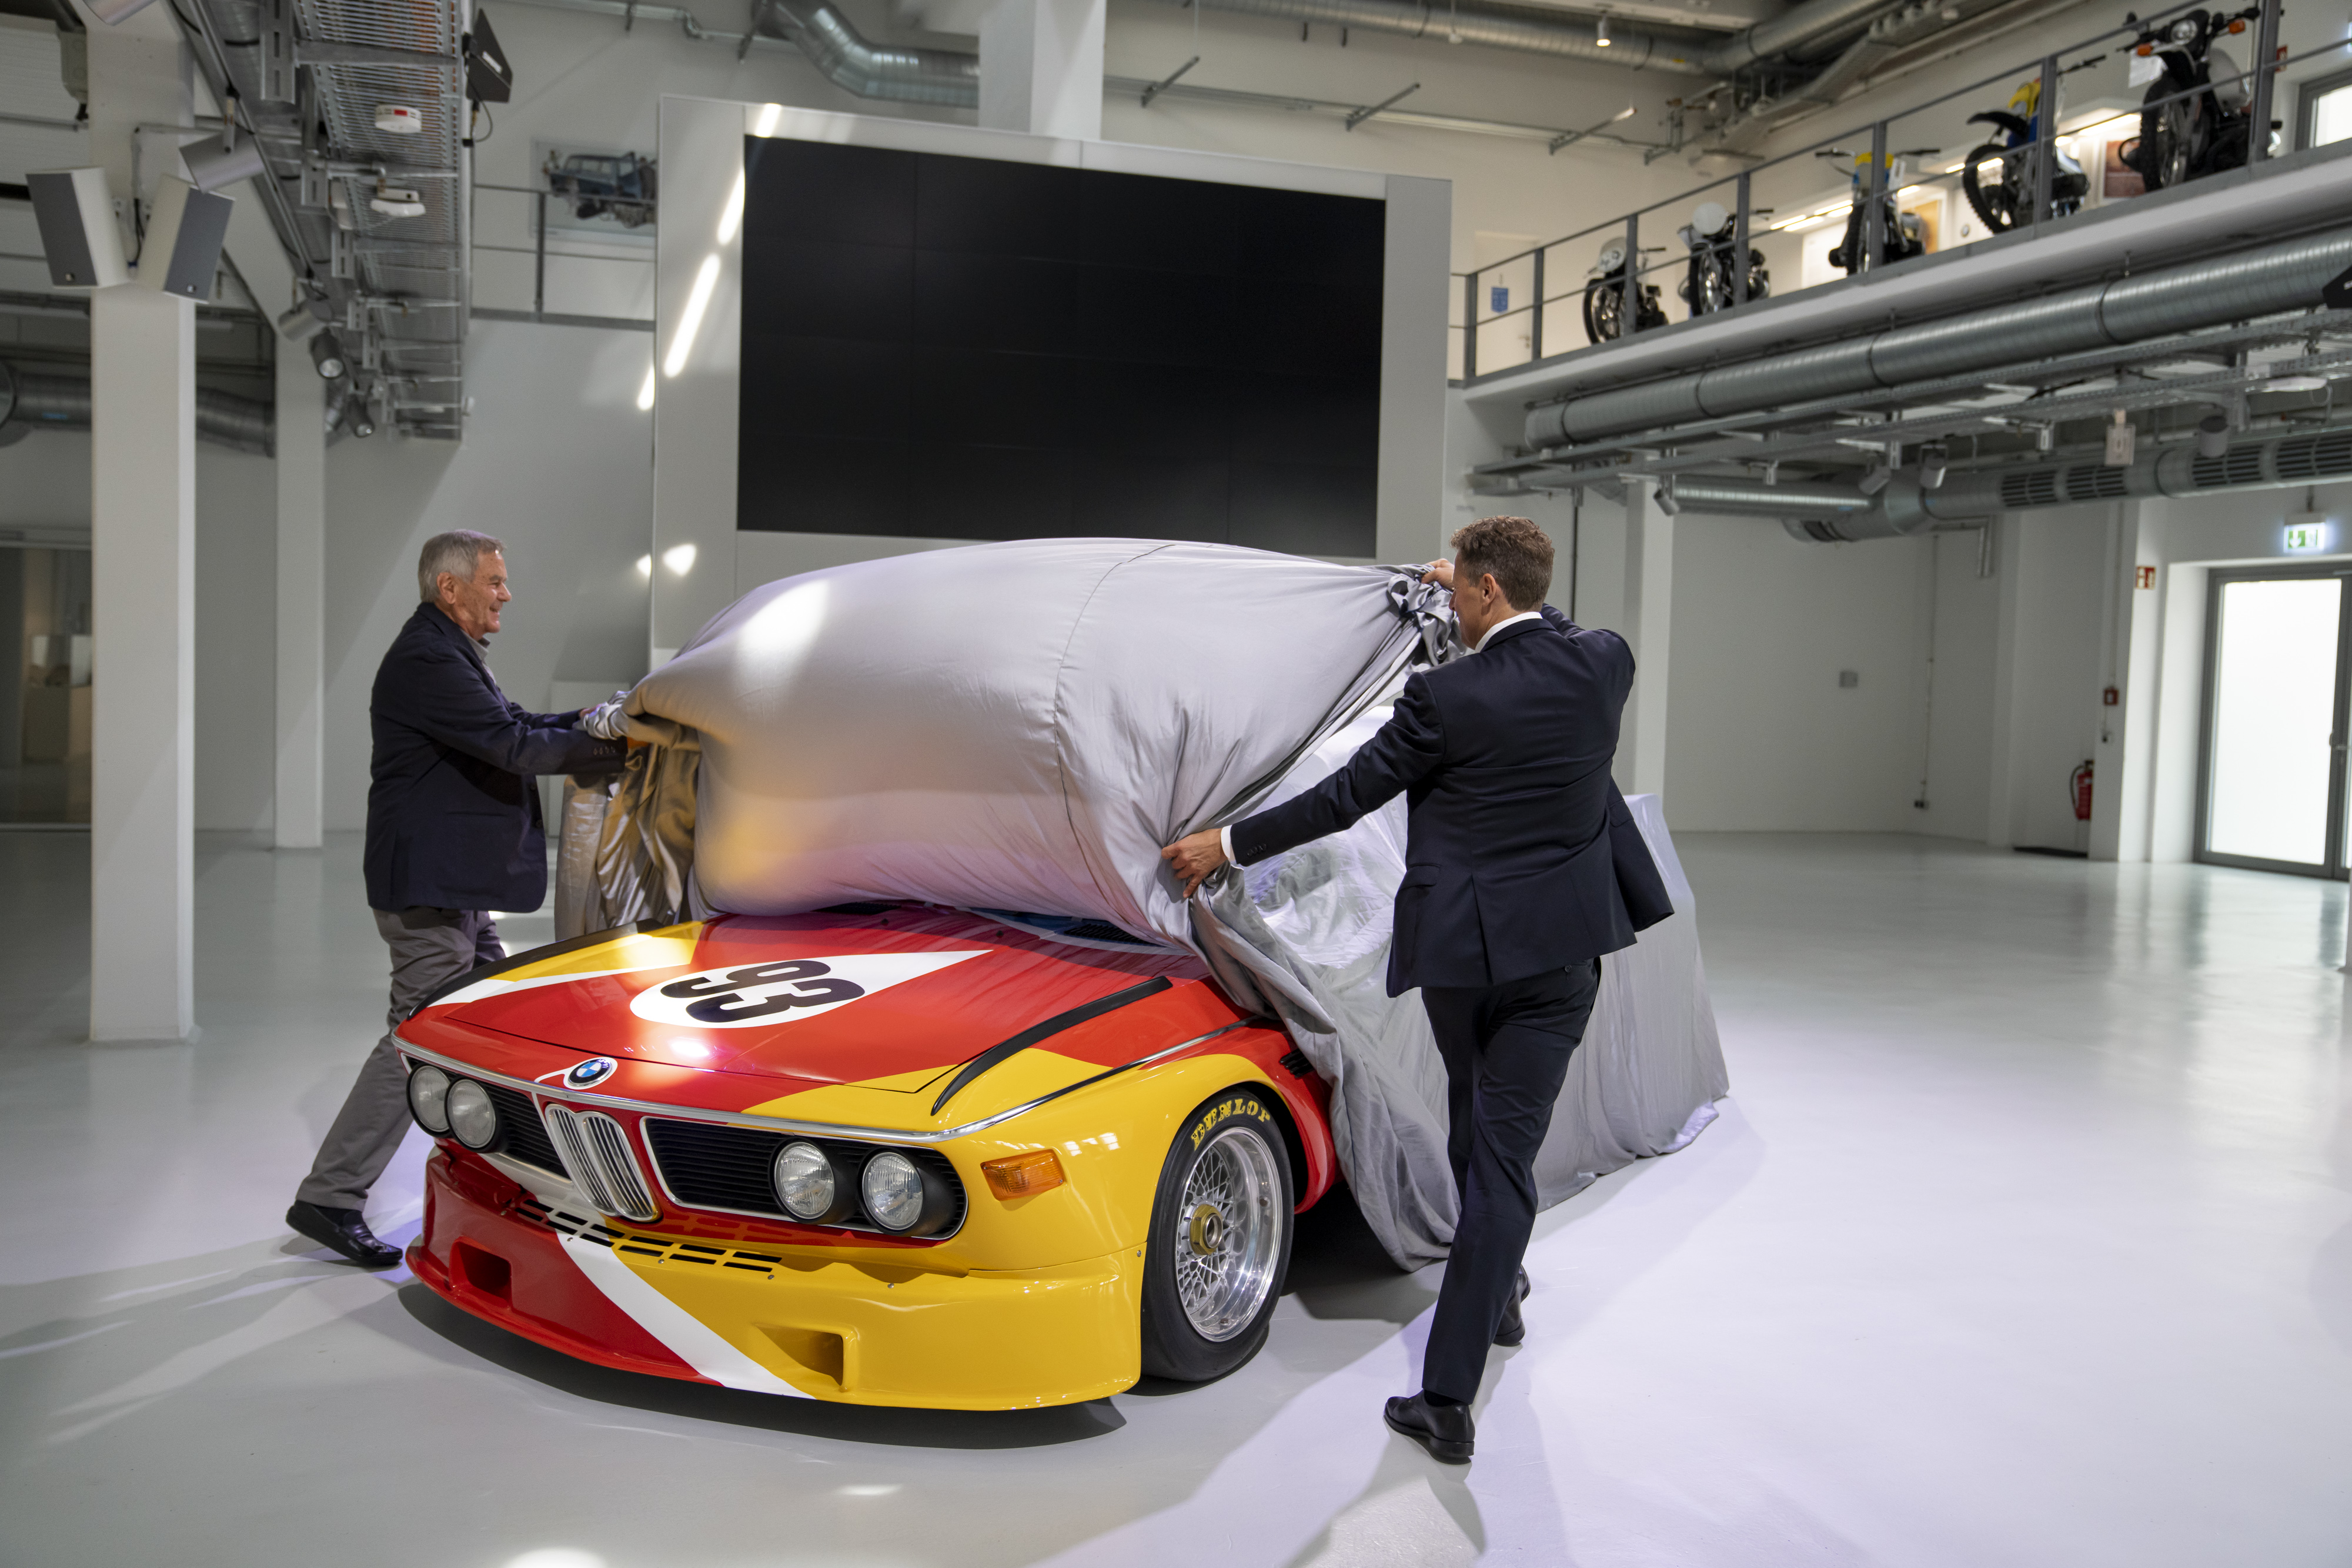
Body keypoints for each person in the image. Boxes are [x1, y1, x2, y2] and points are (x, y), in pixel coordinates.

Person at [1160, 515, 1672, 1464]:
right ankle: (1499, 1291)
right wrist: (1480, 582)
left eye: (1465, 587)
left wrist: (1224, 844)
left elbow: (1344, 796)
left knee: (1490, 1153)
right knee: (1491, 1143)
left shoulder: (1444, 696)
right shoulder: (1605, 664)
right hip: (1560, 959)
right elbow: (1554, 630)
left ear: (1483, 589)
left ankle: (1446, 1398)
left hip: (1463, 961)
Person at [286, 531, 626, 1268]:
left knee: (494, 1024)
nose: (506, 593)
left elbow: (520, 724)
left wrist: (596, 721)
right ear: (450, 587)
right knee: (418, 1037)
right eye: (494, 581)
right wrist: (619, 745)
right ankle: (331, 1195)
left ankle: (508, 1170)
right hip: (430, 888)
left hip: (458, 886)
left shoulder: (451, 651)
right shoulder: (427, 659)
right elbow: (512, 747)